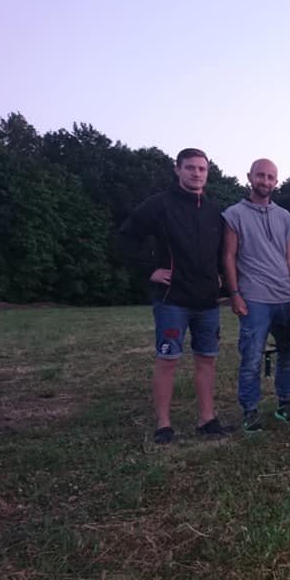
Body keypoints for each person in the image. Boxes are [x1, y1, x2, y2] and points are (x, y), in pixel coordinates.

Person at [119, 148, 225, 444]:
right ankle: (164, 424)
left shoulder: (214, 210)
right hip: (172, 299)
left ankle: (207, 419)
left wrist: (220, 276)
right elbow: (125, 238)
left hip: (207, 301)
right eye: (190, 167)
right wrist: (149, 270)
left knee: (207, 360)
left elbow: (222, 251)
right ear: (177, 169)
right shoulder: (159, 205)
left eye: (202, 169)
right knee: (168, 360)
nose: (196, 173)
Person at [222, 158, 290, 433]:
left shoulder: (285, 217)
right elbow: (229, 256)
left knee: (288, 352)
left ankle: (285, 403)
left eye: (270, 177)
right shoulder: (234, 214)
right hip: (254, 297)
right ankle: (250, 410)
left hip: (285, 296)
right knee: (251, 357)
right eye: (260, 175)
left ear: (276, 182)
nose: (265, 181)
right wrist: (234, 293)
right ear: (249, 177)